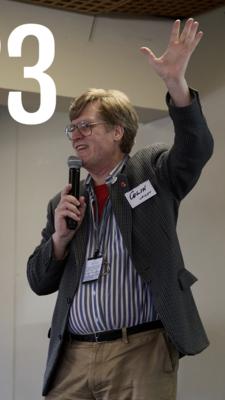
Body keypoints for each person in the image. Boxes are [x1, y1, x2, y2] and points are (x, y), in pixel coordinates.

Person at [27, 18, 213, 400]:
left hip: (140, 352)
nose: (76, 135)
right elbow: (38, 281)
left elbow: (195, 149)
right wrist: (59, 241)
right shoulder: (64, 202)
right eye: (72, 129)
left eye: (86, 126)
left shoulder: (151, 170)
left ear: (117, 131)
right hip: (72, 355)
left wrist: (176, 84)